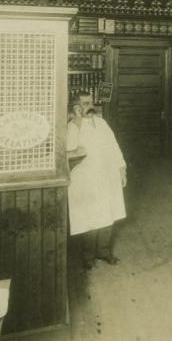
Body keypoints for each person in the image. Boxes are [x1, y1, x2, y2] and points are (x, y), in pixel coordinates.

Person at [66, 91, 127, 270]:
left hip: (107, 176)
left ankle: (104, 251)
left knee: (108, 214)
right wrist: (77, 122)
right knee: (89, 218)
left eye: (91, 102)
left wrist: (122, 169)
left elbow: (115, 146)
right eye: (85, 104)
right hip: (86, 178)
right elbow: (69, 151)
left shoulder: (102, 123)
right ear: (76, 108)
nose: (90, 106)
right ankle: (88, 256)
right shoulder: (72, 127)